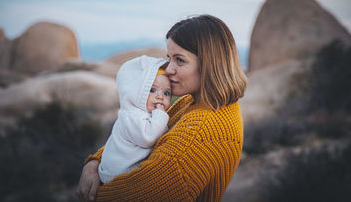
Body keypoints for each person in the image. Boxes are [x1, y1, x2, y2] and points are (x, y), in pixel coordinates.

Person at [76, 14, 247, 202]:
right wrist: (94, 163)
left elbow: (138, 194)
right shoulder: (193, 103)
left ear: (209, 63)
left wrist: (92, 192)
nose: (169, 69)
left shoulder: (203, 128)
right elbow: (137, 138)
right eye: (169, 58)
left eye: (180, 60)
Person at [98, 55, 171, 184]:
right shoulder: (131, 115)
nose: (160, 96)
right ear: (136, 92)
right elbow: (148, 137)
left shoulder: (145, 113)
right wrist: (160, 115)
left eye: (166, 93)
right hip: (117, 173)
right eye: (152, 90)